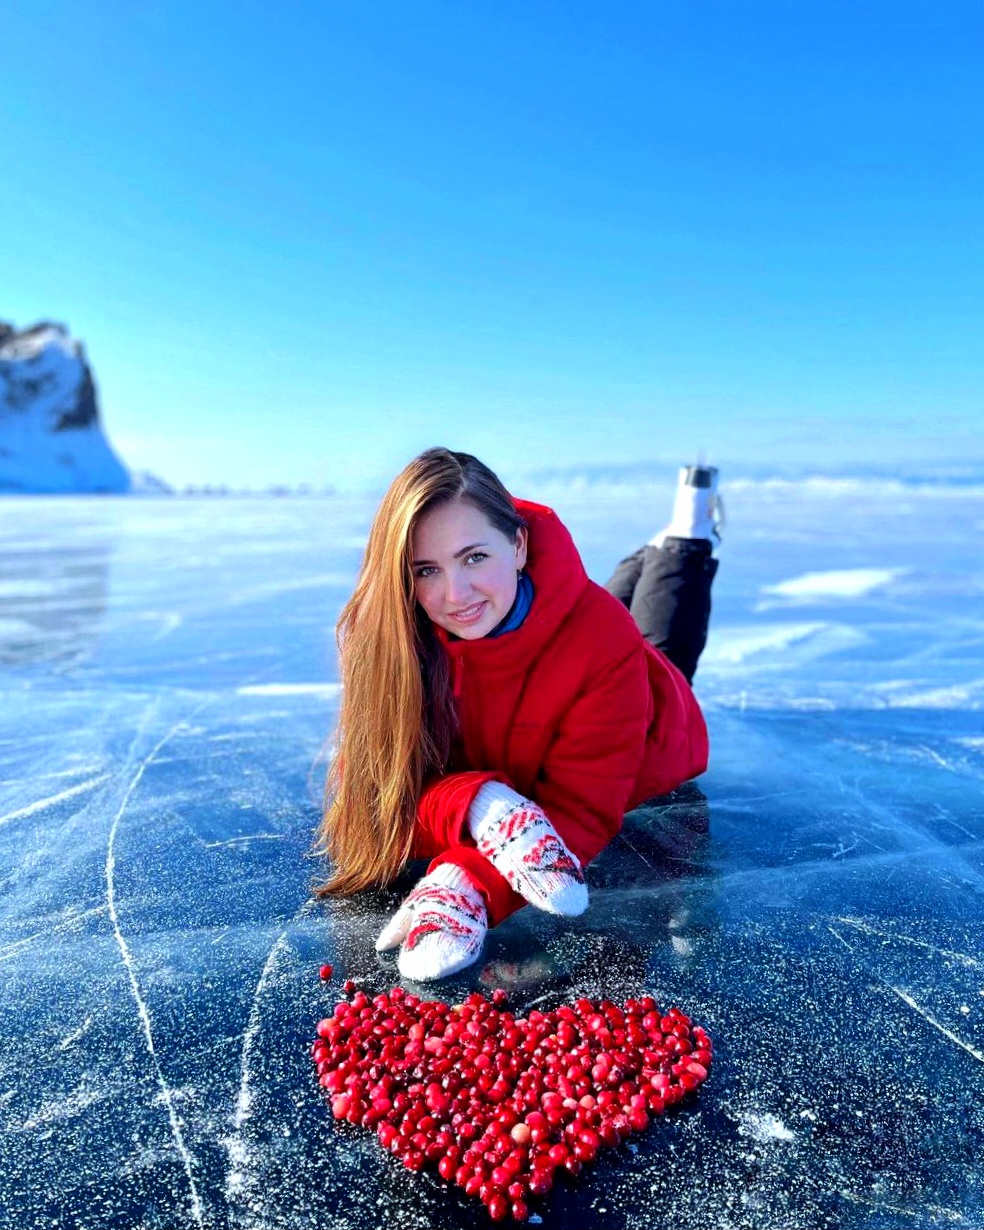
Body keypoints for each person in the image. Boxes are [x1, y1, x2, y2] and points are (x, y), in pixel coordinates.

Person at [313, 448, 721, 981]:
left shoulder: (602, 641)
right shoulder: (394, 637)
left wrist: (468, 879)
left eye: (475, 557)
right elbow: (371, 796)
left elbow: (580, 808)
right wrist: (479, 804)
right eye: (426, 570)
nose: (454, 594)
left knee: (657, 638)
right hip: (559, 635)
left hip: (649, 722)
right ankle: (647, 554)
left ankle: (685, 536)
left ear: (519, 544)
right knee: (589, 600)